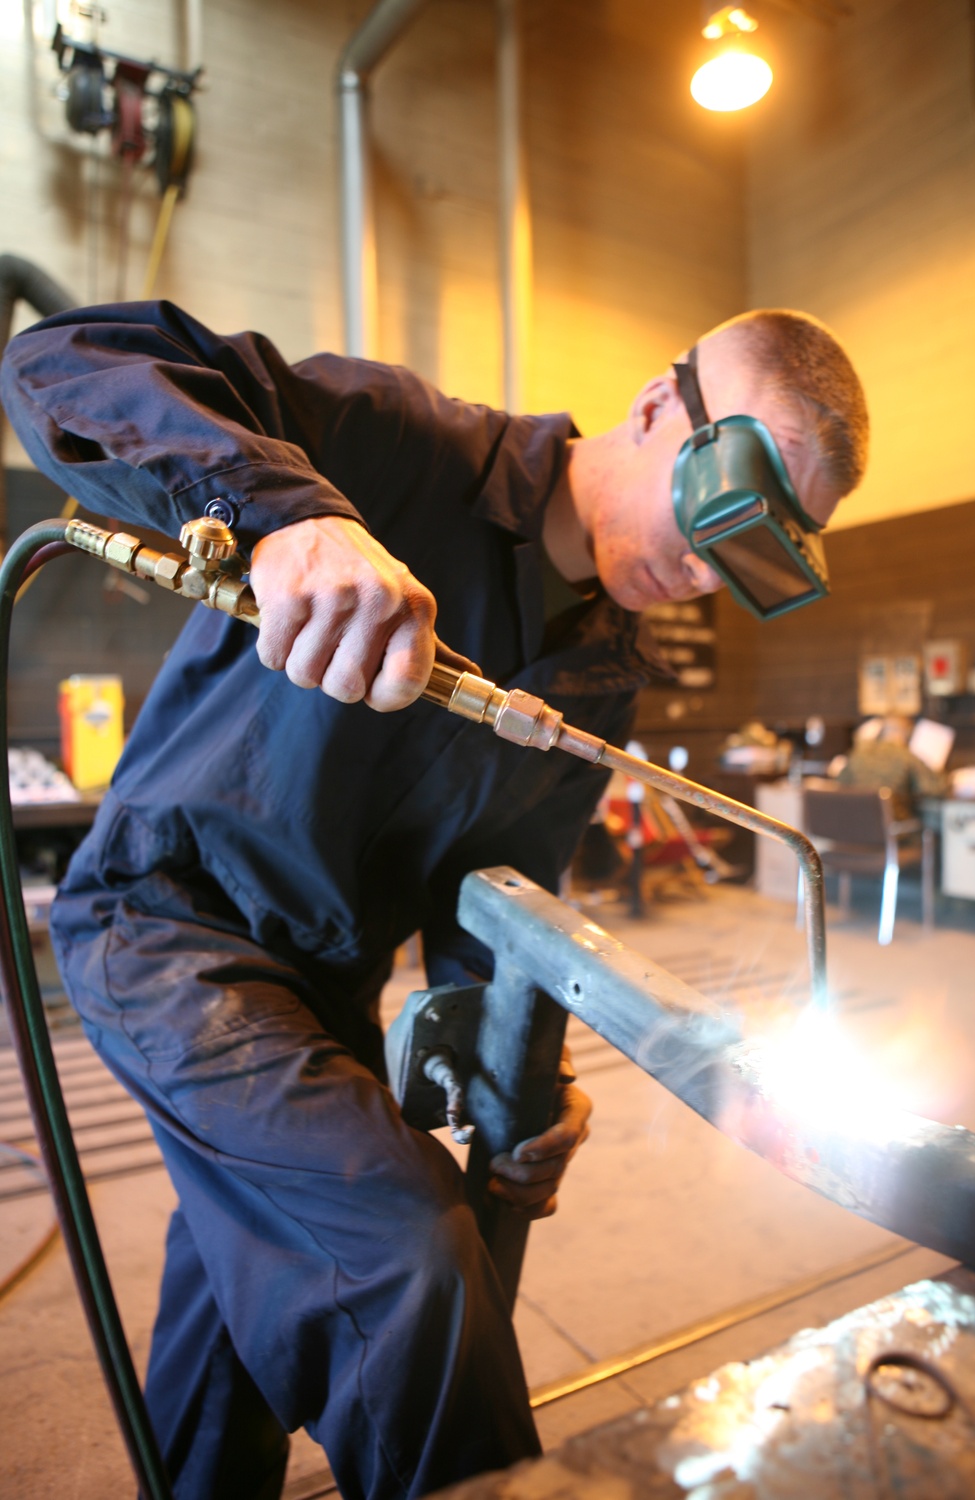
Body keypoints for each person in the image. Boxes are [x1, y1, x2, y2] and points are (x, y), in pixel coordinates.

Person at [0, 302, 868, 1500]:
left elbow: (495, 898)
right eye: (723, 506)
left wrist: (525, 1072)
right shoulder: (398, 444)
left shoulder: (601, 673)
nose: (713, 567)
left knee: (249, 1289)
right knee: (404, 1251)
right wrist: (289, 516)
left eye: (764, 548)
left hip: (323, 984)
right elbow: (62, 359)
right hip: (169, 930)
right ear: (660, 408)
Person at [833, 715, 946, 816]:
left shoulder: (858, 753)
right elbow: (934, 789)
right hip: (891, 828)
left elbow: (840, 784)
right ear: (905, 733)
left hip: (852, 828)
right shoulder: (905, 755)